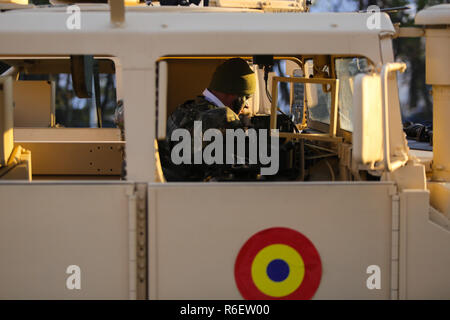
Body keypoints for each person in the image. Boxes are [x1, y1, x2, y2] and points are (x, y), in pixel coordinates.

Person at [160, 58, 257, 181]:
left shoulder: (183, 109)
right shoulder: (225, 118)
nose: (246, 105)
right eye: (246, 97)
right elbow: (242, 165)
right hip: (197, 194)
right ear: (234, 95)